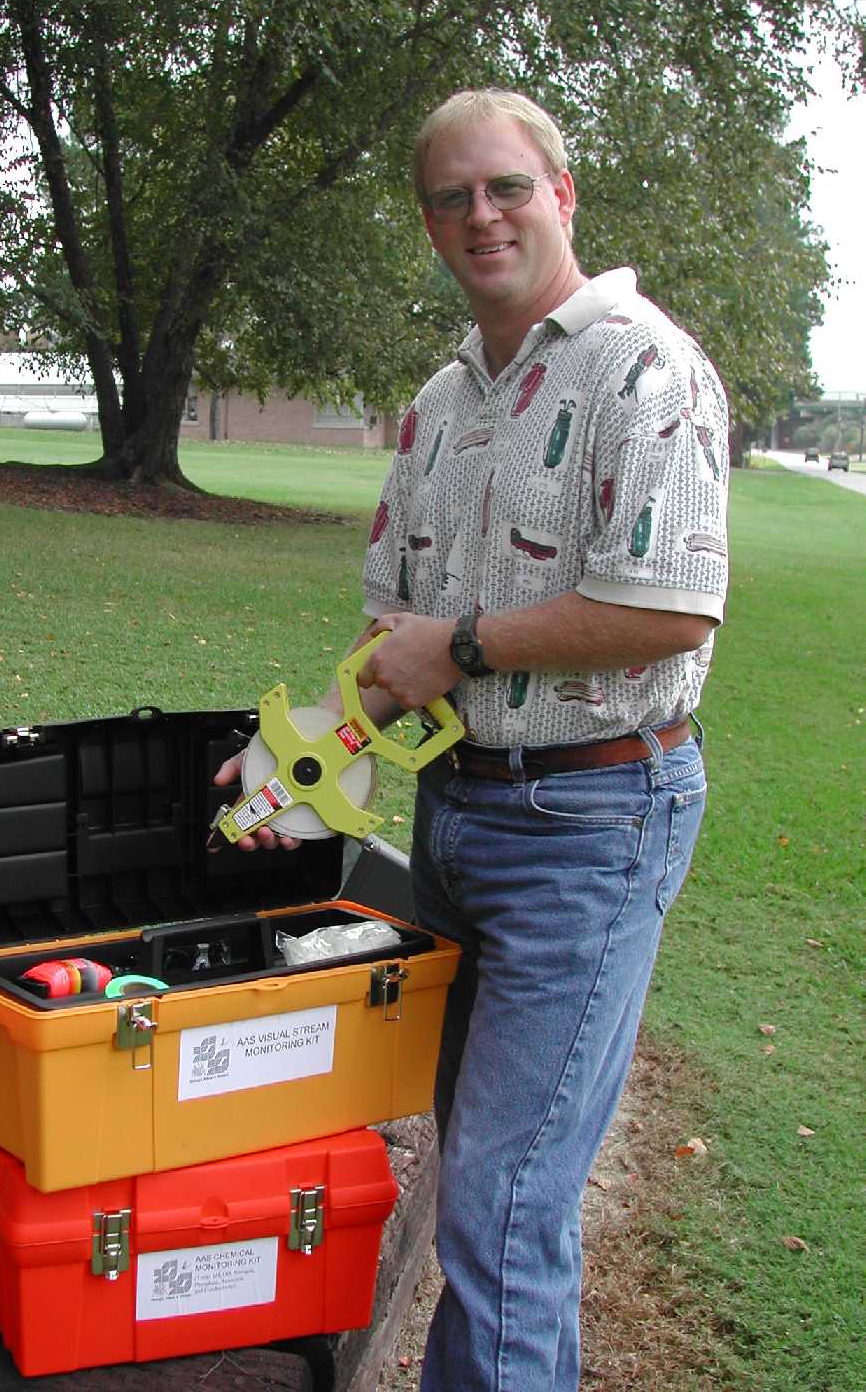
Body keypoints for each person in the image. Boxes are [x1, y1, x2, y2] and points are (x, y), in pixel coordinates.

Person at [217, 88, 728, 1392]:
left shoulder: (642, 364)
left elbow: (668, 605)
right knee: (489, 1176)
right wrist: (293, 761)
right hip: (460, 814)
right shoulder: (441, 402)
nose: (479, 214)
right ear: (430, 223)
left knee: (501, 1203)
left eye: (505, 187)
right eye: (451, 196)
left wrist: (471, 645)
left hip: (596, 820)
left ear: (562, 194)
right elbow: (398, 643)